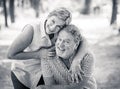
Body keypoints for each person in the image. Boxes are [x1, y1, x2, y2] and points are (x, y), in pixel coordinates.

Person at [7, 8, 87, 89]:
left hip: (42, 72)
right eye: (52, 21)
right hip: (23, 72)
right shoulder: (31, 29)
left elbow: (82, 40)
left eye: (58, 26)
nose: (53, 28)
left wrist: (76, 62)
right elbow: (10, 54)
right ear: (49, 16)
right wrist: (38, 54)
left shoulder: (61, 31)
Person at [39, 25, 97, 89]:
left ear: (76, 44)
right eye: (60, 39)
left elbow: (76, 87)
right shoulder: (47, 57)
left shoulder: (87, 57)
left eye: (67, 42)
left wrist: (43, 88)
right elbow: (50, 86)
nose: (61, 45)